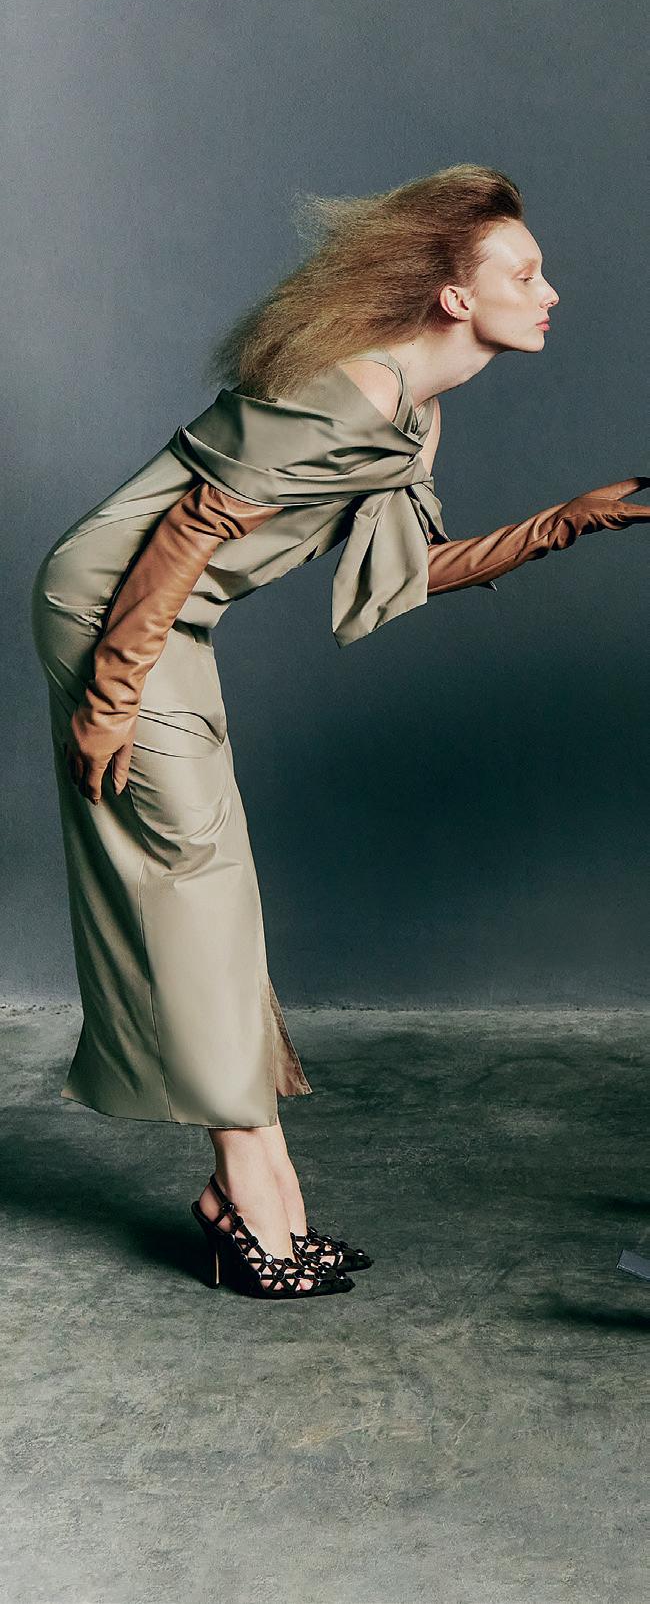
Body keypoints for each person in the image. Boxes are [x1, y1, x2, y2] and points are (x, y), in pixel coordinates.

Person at [31, 164, 649, 1300]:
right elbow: (188, 530)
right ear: (455, 297)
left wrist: (568, 522)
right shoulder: (355, 388)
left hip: (173, 624)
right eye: (524, 273)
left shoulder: (411, 413)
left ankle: (253, 1197)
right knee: (195, 896)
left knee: (214, 895)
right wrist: (109, 697)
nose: (549, 291)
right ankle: (253, 1197)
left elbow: (409, 567)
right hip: (116, 614)